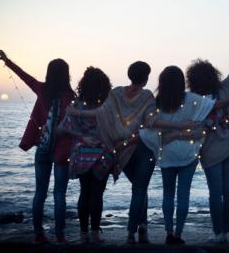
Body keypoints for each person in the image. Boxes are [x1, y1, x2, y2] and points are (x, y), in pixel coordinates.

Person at [66, 61, 197, 244]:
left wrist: (76, 112)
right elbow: (152, 122)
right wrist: (180, 125)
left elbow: (100, 113)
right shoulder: (147, 96)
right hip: (143, 148)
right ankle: (136, 230)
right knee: (140, 190)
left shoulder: (117, 93)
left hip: (123, 150)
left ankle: (132, 233)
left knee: (138, 190)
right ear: (146, 78)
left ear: (130, 74)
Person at [139, 66, 229, 244]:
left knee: (168, 194)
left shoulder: (157, 102)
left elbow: (150, 124)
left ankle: (169, 232)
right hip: (188, 154)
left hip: (168, 154)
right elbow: (216, 105)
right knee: (184, 195)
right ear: (181, 83)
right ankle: (179, 234)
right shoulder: (191, 99)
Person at [0, 48, 75, 243]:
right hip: (62, 151)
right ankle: (60, 236)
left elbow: (24, 76)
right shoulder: (71, 96)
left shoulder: (42, 89)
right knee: (59, 193)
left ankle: (38, 234)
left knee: (40, 192)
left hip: (43, 148)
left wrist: (6, 60)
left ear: (49, 73)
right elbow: (74, 125)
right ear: (66, 74)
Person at [185, 37, 229, 243]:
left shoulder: (194, 101)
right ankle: (226, 231)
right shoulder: (226, 88)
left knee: (215, 194)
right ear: (213, 76)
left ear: (193, 80)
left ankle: (219, 234)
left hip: (210, 154)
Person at [57, 67, 112, 243]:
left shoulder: (76, 105)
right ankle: (95, 233)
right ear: (104, 85)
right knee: (97, 193)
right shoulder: (107, 106)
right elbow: (113, 129)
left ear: (83, 85)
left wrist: (81, 137)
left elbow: (63, 128)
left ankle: (83, 233)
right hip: (102, 154)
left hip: (81, 154)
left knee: (85, 192)